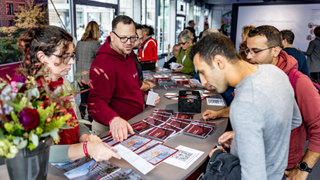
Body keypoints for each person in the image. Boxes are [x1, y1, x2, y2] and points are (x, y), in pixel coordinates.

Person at [190, 33, 301, 180]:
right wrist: (244, 135)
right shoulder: (275, 72)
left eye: (202, 72)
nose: (203, 82)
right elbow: (294, 120)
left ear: (219, 62)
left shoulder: (244, 103)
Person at [18, 26, 120, 163]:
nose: (72, 61)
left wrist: (85, 137)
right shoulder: (29, 95)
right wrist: (86, 148)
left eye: (72, 55)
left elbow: (76, 122)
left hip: (74, 162)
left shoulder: (64, 83)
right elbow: (42, 152)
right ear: (42, 57)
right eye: (65, 56)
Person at [247, 25, 320, 180]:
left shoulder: (299, 81)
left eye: (255, 51)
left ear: (275, 51)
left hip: (284, 166)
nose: (249, 56)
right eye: (248, 50)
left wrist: (303, 169)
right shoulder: (255, 76)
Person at [88, 15, 160, 141]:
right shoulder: (103, 64)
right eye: (123, 38)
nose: (128, 43)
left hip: (133, 122)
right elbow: (95, 104)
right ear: (112, 36)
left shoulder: (128, 53)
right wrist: (113, 118)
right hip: (111, 129)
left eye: (132, 38)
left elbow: (134, 83)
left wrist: (145, 95)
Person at [75, 21, 101, 123]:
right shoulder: (95, 44)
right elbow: (100, 59)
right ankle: (91, 124)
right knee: (91, 101)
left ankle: (80, 121)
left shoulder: (79, 43)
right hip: (90, 77)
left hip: (79, 76)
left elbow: (77, 57)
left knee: (83, 99)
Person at [134, 23, 155, 92]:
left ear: (145, 33)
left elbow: (152, 58)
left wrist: (139, 59)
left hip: (147, 65)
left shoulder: (151, 42)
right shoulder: (143, 42)